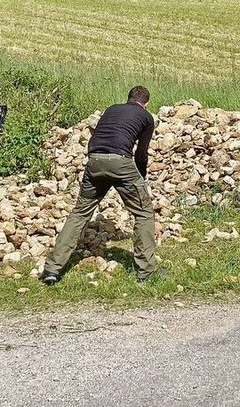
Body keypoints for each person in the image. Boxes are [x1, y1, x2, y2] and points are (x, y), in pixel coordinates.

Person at [41, 86, 157, 284]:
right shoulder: (146, 118)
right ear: (146, 104)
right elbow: (141, 154)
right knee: (144, 213)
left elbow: (97, 137)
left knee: (80, 213)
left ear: (128, 99)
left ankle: (52, 270)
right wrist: (141, 177)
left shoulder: (112, 109)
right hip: (121, 162)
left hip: (94, 159)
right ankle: (146, 272)